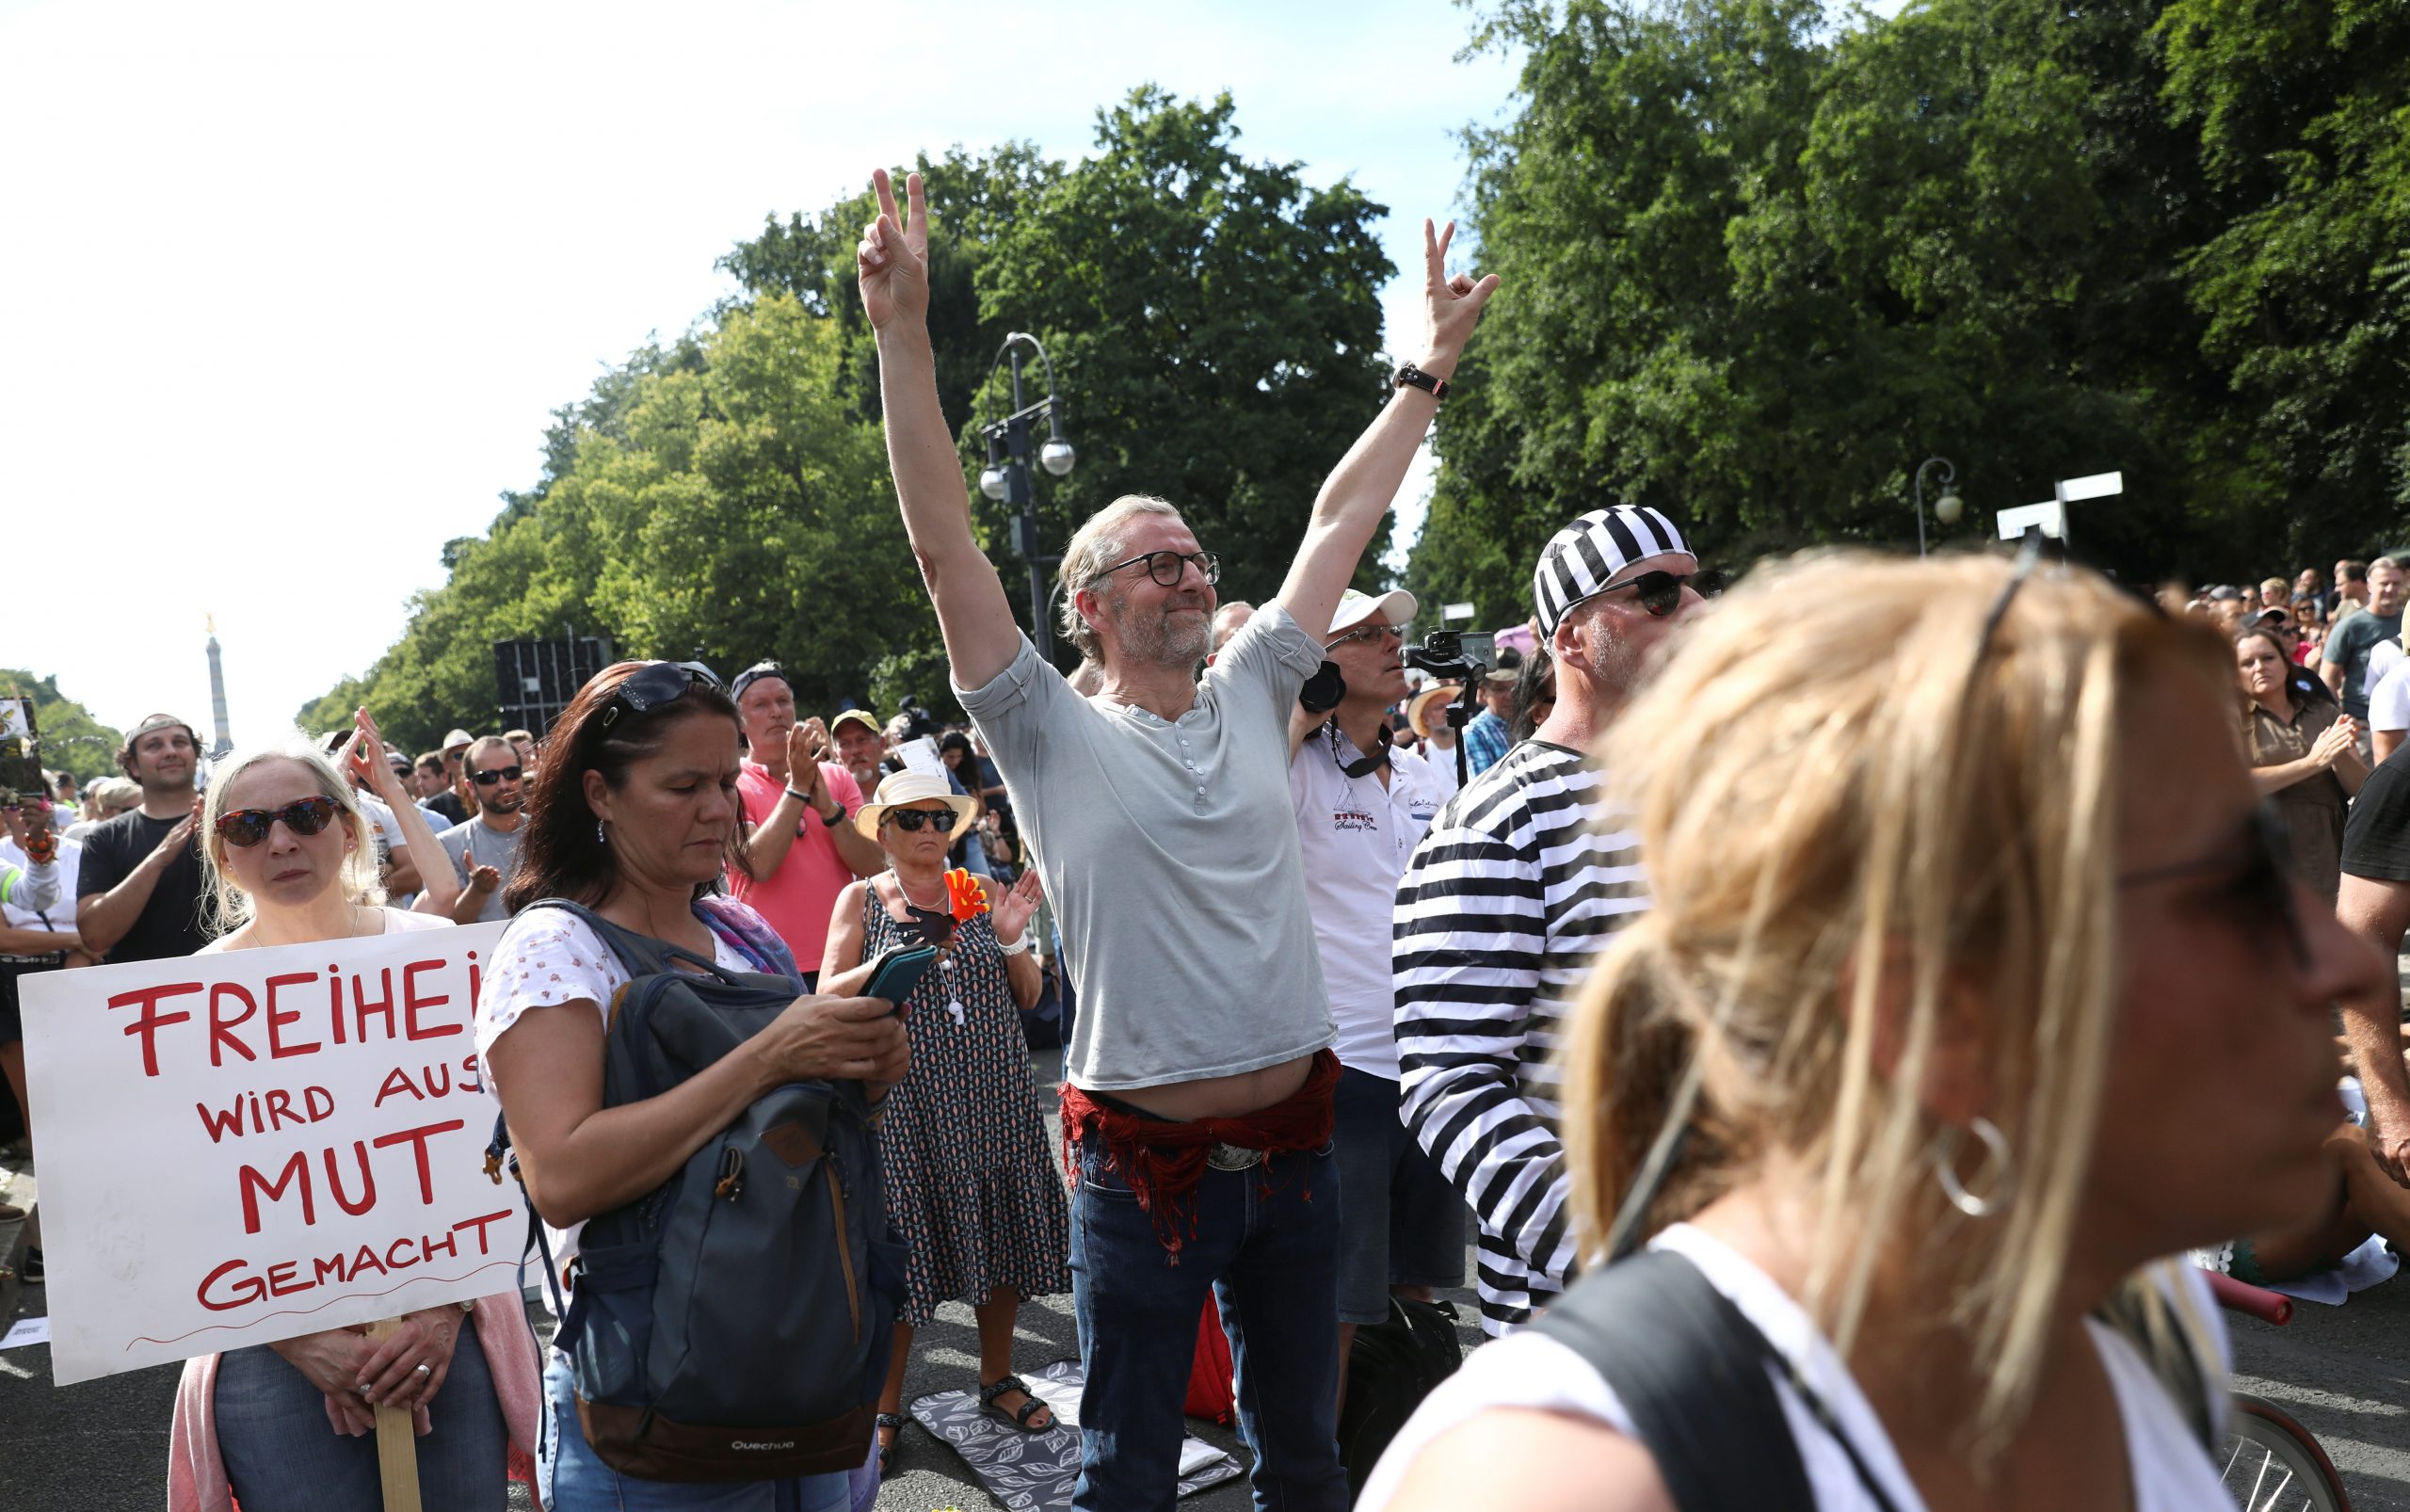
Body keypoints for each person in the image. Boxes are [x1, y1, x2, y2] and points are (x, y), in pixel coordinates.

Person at [1364, 549, 2370, 1511]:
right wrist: (1626, 1262)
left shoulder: (2128, 1326)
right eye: (2215, 892)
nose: (2345, 964)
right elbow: (1451, 1081)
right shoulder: (1574, 1464)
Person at [858, 164, 1494, 1510]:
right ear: (1088, 604)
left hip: (1302, 1156)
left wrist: (1424, 372)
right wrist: (903, 340)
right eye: (1160, 559)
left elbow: (1340, 518)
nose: (1194, 570)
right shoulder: (1041, 727)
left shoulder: (1263, 678)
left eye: (1199, 555)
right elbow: (945, 550)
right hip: (1142, 1178)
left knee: (1307, 1457)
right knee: (1129, 1469)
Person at [473, 660, 908, 1512]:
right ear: (599, 794)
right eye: (683, 785)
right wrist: (773, 1053)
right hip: (658, 1404)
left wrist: (865, 1071)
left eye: (723, 778)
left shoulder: (739, 926)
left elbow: (797, 1131)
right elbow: (562, 1178)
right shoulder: (552, 950)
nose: (720, 806)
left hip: (804, 1353)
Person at [167, 722, 537, 1512]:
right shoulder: (189, 999)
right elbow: (177, 1201)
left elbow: (511, 1144)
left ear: (345, 825)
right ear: (222, 851)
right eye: (247, 825)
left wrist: (439, 1316)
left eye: (303, 815)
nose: (281, 841)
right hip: (266, 1348)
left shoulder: (436, 953)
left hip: (447, 1324)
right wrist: (303, 1341)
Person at [1392, 506, 1703, 1337]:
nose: (1699, 609)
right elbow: (1449, 1085)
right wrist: (1626, 1252)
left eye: (1697, 584)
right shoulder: (1497, 821)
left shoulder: (1711, 792)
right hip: (1592, 1316)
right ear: (1570, 639)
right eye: (1659, 594)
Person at [819, 771, 1067, 1472]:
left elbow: (1027, 995)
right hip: (908, 1100)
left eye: (938, 817)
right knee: (904, 1246)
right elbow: (826, 992)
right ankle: (887, 1404)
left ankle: (996, 1376)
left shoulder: (978, 893)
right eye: (911, 818)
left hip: (995, 1090)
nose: (928, 828)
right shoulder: (862, 898)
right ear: (885, 831)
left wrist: (1013, 939)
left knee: (1000, 1229)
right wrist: (893, 959)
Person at [1285, 589, 1460, 1403]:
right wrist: (1295, 710)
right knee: (1340, 1304)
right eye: (1367, 635)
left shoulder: (1426, 774)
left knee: (1420, 1286)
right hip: (1343, 1066)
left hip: (1430, 1068)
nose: (1394, 644)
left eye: (1395, 632)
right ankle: (1318, 1473)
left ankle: (1402, 1458)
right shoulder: (1291, 768)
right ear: (1320, 662)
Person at [728, 661, 881, 982]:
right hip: (767, 966)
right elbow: (757, 865)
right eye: (761, 704)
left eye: (783, 701)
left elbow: (875, 866)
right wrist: (798, 788)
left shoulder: (836, 776)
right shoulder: (729, 783)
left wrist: (829, 810)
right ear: (740, 721)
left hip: (846, 959)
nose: (776, 712)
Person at [2237, 629, 2364, 902]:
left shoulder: (2321, 711)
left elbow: (2361, 788)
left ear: (2285, 662)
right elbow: (2236, 784)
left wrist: (2338, 752)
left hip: (2327, 843)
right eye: (2248, 663)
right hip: (2266, 850)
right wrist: (2313, 762)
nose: (2260, 667)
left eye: (2268, 657)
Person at [75, 713, 212, 963]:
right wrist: (158, 859)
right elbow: (94, 936)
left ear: (195, 754)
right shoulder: (105, 837)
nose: (170, 752)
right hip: (146, 995)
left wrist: (224, 845)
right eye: (154, 745)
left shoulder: (232, 818)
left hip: (237, 984)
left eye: (180, 742)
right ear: (134, 765)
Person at [438, 737, 529, 924]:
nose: (503, 784)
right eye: (489, 777)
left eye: (511, 773)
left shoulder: (550, 833)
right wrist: (477, 891)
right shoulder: (448, 844)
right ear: (471, 787)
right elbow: (445, 928)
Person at [1458, 655, 1519, 778]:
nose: (1510, 695)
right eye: (1500, 689)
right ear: (1482, 693)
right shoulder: (1474, 732)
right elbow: (1486, 789)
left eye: (1515, 687)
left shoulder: (1533, 721)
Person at [1405, 684, 1465, 796]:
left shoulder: (1473, 741)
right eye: (1439, 707)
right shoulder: (1415, 756)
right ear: (1425, 719)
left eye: (1451, 705)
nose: (1447, 710)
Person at [829, 709, 886, 796]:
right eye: (844, 744)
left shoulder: (904, 790)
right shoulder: (827, 802)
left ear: (881, 744)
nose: (855, 750)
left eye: (862, 740)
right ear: (836, 755)